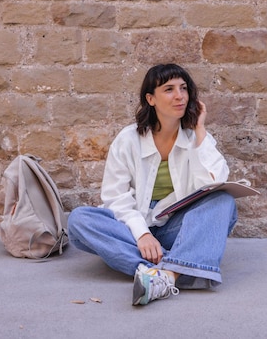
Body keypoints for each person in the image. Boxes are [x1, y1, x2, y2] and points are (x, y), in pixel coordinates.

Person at [67, 63, 238, 306]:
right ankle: (183, 269)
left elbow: (213, 183)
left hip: (177, 227)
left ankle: (166, 275)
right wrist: (143, 234)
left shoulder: (196, 138)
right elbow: (115, 198)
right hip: (135, 225)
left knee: (223, 201)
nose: (179, 96)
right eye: (169, 89)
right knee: (79, 221)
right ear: (151, 99)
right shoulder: (128, 140)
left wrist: (200, 130)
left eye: (183, 88)